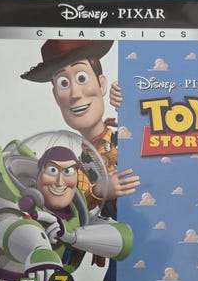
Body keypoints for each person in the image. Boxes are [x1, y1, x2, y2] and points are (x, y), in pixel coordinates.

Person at [0, 145, 133, 281]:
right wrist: (40, 250)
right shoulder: (21, 204)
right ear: (39, 173)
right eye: (52, 170)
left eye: (68, 172)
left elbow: (124, 240)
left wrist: (72, 236)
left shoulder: (77, 211)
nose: (60, 182)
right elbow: (7, 227)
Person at [21, 39, 140, 212]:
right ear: (56, 96)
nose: (75, 94)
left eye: (81, 78)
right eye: (63, 83)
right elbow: (71, 207)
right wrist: (99, 191)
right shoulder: (77, 166)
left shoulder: (127, 134)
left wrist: (135, 105)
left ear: (102, 84)